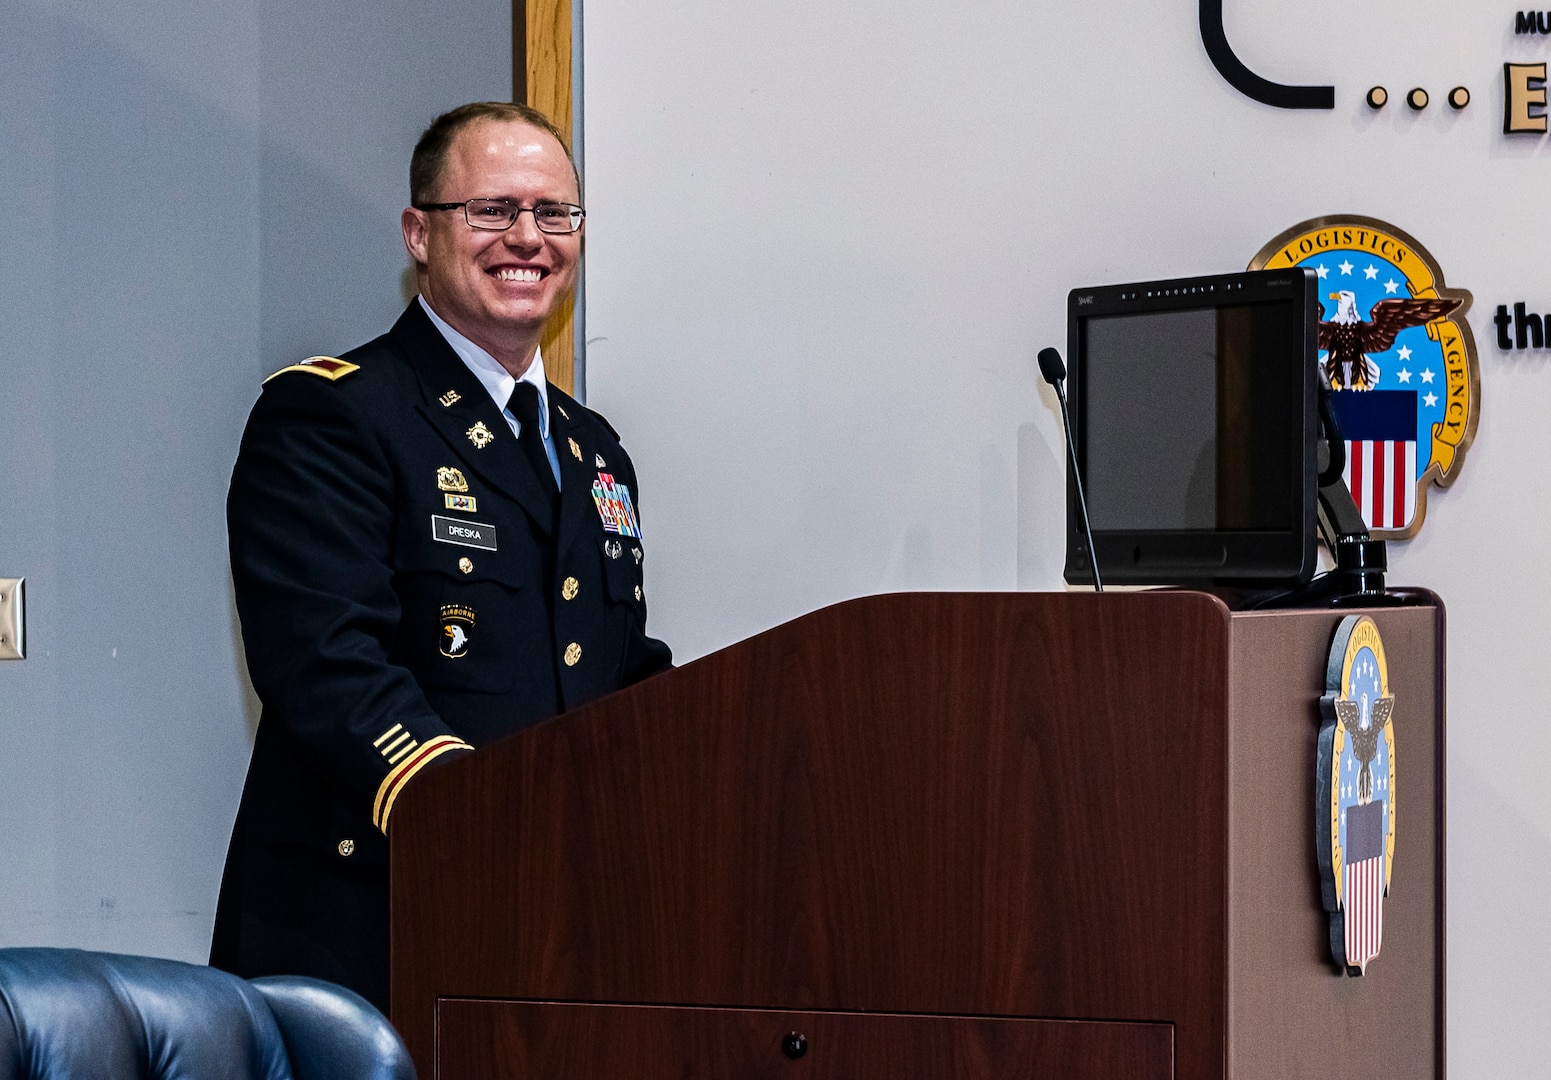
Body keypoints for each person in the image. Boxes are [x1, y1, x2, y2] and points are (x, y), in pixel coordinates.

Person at [210, 102, 671, 1011]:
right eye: (492, 211)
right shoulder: (334, 416)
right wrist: (482, 822)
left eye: (554, 214)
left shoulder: (593, 448)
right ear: (420, 232)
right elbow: (326, 665)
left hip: (557, 937)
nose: (528, 239)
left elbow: (617, 672)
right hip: (369, 932)